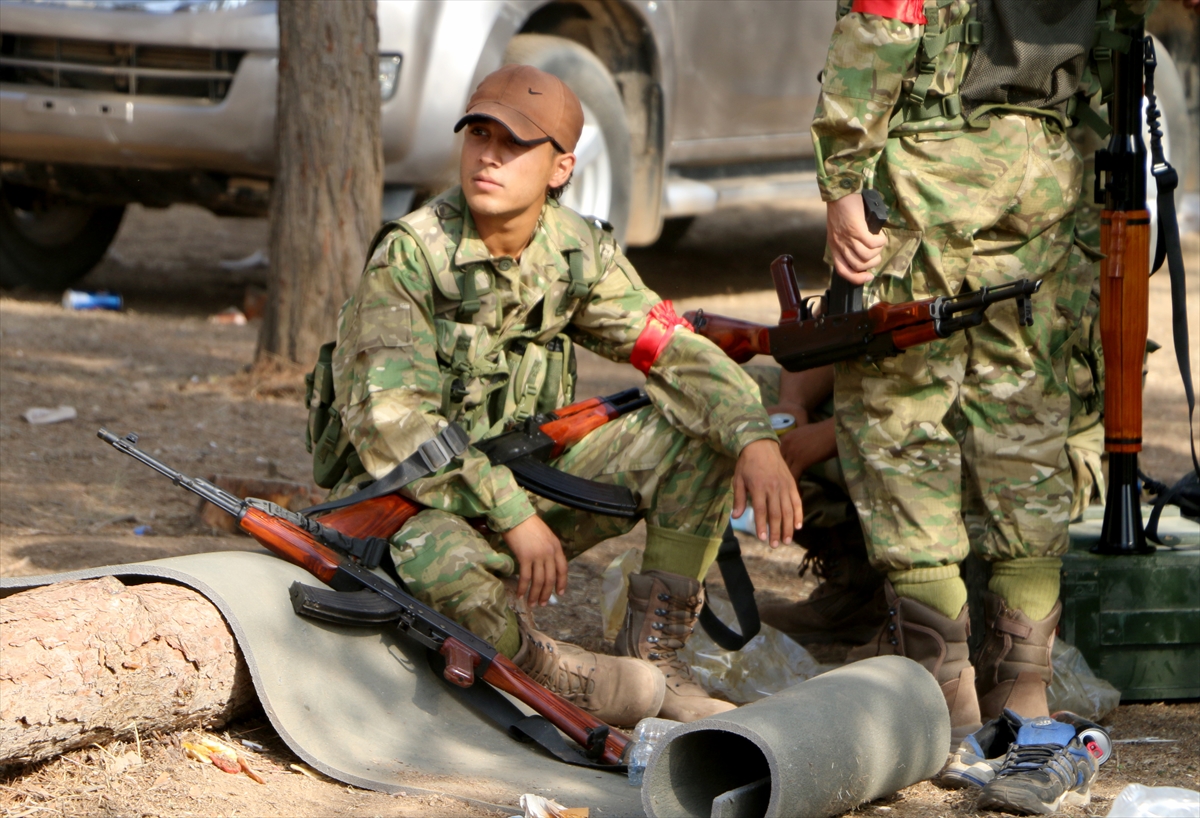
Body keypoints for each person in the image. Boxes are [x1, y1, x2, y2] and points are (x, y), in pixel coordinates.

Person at [318, 64, 802, 726]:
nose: (488, 155)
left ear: (560, 168)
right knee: (434, 560)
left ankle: (655, 658)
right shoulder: (412, 256)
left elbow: (673, 347)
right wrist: (513, 513)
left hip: (523, 476)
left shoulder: (574, 252)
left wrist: (753, 435)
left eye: (514, 143)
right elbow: (393, 426)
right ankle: (552, 669)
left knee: (699, 432)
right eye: (478, 134)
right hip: (412, 505)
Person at [810, 0, 1149, 746]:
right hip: (1048, 165)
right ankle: (1023, 681)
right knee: (1024, 408)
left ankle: (943, 685)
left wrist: (841, 176)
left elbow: (882, 17)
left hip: (935, 161)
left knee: (899, 410)